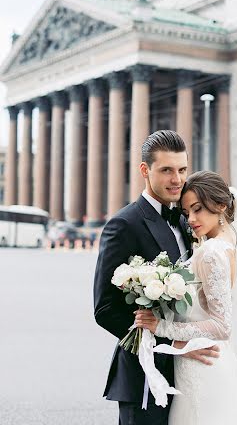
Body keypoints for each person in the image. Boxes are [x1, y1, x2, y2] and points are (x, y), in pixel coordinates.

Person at [136, 170, 237, 424]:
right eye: (186, 212)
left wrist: (161, 326)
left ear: (221, 206)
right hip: (210, 360)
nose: (191, 219)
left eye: (198, 209)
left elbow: (221, 325)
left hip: (203, 366)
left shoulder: (211, 252)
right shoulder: (228, 243)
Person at [93, 131, 219, 425]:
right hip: (145, 378)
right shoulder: (124, 224)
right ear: (144, 170)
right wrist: (172, 344)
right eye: (166, 170)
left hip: (190, 374)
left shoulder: (187, 219)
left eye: (182, 170)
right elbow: (105, 309)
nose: (177, 179)